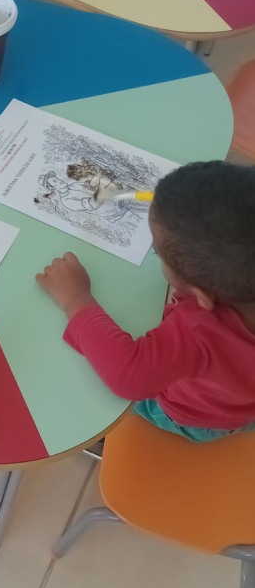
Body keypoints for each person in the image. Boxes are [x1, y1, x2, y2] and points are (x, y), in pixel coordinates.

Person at [36, 161, 255, 442]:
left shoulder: (199, 330)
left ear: (201, 296)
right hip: (241, 400)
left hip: (200, 418)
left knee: (82, 377)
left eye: (158, 255)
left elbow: (126, 376)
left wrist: (76, 299)